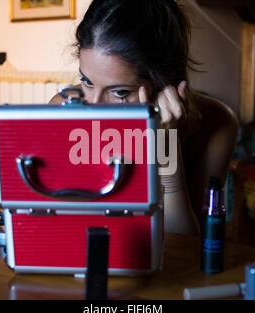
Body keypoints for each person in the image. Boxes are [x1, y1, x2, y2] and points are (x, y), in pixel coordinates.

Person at [50, 0, 239, 235]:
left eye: (119, 92)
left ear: (163, 80)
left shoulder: (217, 124)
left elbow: (184, 244)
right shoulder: (61, 111)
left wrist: (166, 144)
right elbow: (56, 226)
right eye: (87, 81)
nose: (93, 106)